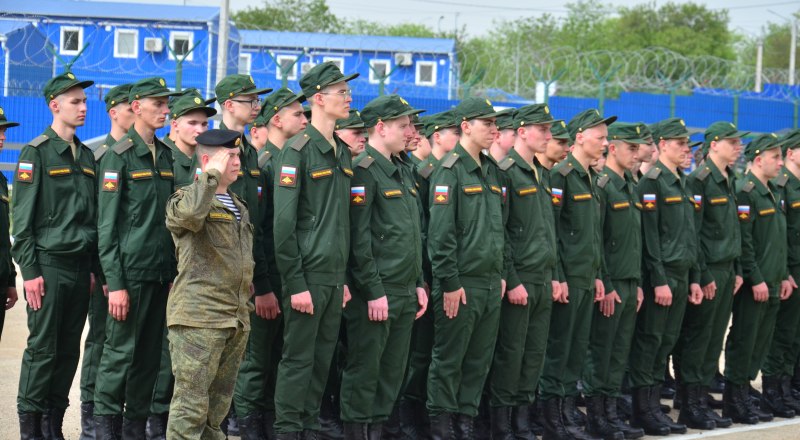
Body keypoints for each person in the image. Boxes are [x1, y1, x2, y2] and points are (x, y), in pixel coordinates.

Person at [272, 61, 357, 439]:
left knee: (322, 361)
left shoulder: (341, 150)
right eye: (341, 92)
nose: (348, 97)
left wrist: (344, 280)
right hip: (306, 278)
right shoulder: (298, 151)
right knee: (298, 361)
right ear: (319, 99)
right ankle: (289, 430)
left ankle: (308, 428)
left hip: (333, 277)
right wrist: (296, 283)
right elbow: (283, 226)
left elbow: (341, 222)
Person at [93, 77, 180, 438]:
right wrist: (115, 284)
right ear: (136, 107)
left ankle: (134, 429)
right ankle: (105, 430)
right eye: (157, 104)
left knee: (148, 359)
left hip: (161, 274)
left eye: (166, 103)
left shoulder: (168, 154)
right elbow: (106, 227)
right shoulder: (119, 155)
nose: (164, 110)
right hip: (130, 274)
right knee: (118, 357)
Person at [13, 71, 97, 439]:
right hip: (48, 266)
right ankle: (31, 429)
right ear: (54, 105)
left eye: (84, 101)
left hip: (80, 269)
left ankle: (52, 425)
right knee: (43, 350)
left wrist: (95, 269)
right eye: (75, 101)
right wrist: (30, 272)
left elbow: (93, 219)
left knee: (67, 352)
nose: (83, 107)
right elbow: (22, 222)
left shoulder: (88, 155)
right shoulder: (37, 153)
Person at [340, 94, 428, 438]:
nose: (410, 131)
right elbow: (358, 240)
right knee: (365, 370)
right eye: (403, 125)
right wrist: (373, 291)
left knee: (393, 371)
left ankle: (376, 429)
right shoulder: (364, 170)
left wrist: (419, 282)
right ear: (380, 127)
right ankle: (356, 430)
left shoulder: (404, 170)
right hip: (376, 293)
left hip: (405, 290)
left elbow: (412, 235)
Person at [164, 128, 255, 440]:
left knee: (216, 412)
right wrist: (209, 178)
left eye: (237, 155)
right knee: (189, 409)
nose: (236, 161)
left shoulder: (238, 205)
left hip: (234, 317)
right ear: (207, 160)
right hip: (199, 318)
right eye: (228, 156)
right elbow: (187, 218)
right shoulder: (185, 198)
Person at [426, 97, 505, 438]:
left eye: (495, 124)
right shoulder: (449, 170)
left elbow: (497, 229)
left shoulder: (490, 171)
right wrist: (449, 283)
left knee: (478, 360)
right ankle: (442, 426)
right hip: (460, 284)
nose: (493, 130)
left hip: (488, 282)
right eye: (486, 123)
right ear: (466, 126)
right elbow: (440, 237)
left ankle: (465, 422)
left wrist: (500, 274)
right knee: (449, 360)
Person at [235, 87, 307, 440]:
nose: (305, 120)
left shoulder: (288, 158)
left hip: (287, 276)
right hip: (265, 277)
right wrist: (262, 285)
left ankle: (267, 422)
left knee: (280, 355)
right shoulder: (266, 163)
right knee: (256, 357)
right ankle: (247, 425)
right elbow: (261, 231)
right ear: (276, 120)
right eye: (298, 114)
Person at [539, 109, 613, 440]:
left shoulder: (590, 178)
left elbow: (591, 235)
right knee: (559, 350)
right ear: (579, 138)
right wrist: (557, 275)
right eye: (600, 137)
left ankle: (568, 411)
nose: (605, 143)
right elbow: (553, 231)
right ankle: (552, 418)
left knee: (575, 350)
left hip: (586, 278)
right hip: (567, 280)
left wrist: (597, 274)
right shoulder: (562, 176)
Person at [629, 117, 703, 436]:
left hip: (682, 273)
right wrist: (658, 279)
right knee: (650, 343)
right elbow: (651, 238)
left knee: (665, 343)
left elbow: (690, 235)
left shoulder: (682, 180)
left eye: (687, 143)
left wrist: (695, 276)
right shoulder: (653, 182)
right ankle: (642, 409)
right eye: (680, 143)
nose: (687, 149)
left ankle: (653, 404)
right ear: (662, 146)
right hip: (662, 277)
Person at [490, 104, 559, 439]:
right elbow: (500, 232)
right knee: (511, 353)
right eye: (542, 129)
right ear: (521, 132)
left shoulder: (539, 172)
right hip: (521, 281)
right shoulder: (505, 172)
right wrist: (512, 279)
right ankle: (502, 424)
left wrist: (555, 275)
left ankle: (522, 417)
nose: (548, 135)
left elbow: (548, 231)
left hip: (543, 278)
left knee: (533, 354)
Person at [674, 121, 748, 431]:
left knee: (713, 341)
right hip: (709, 271)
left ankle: (700, 399)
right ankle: (689, 403)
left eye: (739, 142)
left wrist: (739, 270)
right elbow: (695, 234)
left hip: (728, 269)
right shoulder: (700, 182)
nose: (738, 146)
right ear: (714, 145)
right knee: (698, 339)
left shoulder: (730, 179)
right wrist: (702, 274)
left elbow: (734, 231)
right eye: (732, 141)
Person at [582, 122, 648, 440]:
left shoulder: (629, 185)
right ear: (615, 148)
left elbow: (633, 242)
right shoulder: (604, 185)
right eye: (631, 147)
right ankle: (597, 417)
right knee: (602, 352)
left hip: (629, 281)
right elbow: (597, 240)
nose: (636, 154)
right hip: (611, 283)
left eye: (638, 148)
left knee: (618, 353)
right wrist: (605, 283)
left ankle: (610, 412)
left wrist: (638, 284)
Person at [397, 110, 460, 437]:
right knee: (418, 352)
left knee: (428, 349)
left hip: (431, 272)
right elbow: (426, 230)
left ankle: (418, 411)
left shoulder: (429, 171)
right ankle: (407, 411)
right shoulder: (425, 172)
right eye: (453, 132)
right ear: (438, 136)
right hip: (423, 272)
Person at [724, 133, 793, 423]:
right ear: (758, 159)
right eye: (775, 157)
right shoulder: (746, 191)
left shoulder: (774, 191)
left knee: (761, 342)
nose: (780, 162)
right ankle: (734, 399)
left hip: (776, 280)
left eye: (780, 156)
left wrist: (785, 275)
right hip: (757, 284)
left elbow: (778, 240)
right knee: (745, 340)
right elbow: (746, 242)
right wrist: (756, 277)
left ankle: (746, 394)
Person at [78, 82, 133, 439]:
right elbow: (93, 218)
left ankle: (116, 416)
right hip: (105, 269)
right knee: (100, 342)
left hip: (134, 267)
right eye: (130, 107)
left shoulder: (141, 154)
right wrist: (99, 270)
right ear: (113, 112)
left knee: (126, 347)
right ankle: (91, 420)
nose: (136, 112)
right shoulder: (98, 157)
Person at [762, 129, 800, 417]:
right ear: (791, 153)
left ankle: (788, 387)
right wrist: (786, 271)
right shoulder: (783, 186)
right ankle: (774, 390)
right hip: (790, 268)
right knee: (783, 332)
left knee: (795, 333)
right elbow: (782, 235)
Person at [0, 105, 18, 340]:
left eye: (4, 131)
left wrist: (11, 280)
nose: (2, 137)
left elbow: (4, 238)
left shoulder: (1, 180)